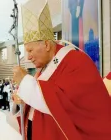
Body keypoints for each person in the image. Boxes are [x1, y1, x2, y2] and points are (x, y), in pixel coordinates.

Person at [11, 0, 111, 140]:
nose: (28, 57)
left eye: (30, 50)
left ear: (46, 44)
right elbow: (39, 102)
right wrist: (21, 100)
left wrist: (25, 81)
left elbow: (58, 104)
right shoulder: (44, 68)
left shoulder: (75, 62)